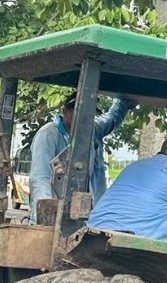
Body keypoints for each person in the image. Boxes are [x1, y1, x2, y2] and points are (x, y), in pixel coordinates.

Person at [29, 94, 135, 222]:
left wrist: (124, 102)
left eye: (90, 116)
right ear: (66, 112)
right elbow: (40, 178)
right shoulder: (49, 135)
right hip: (54, 215)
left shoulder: (91, 130)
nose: (85, 119)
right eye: (80, 114)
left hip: (82, 215)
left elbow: (111, 119)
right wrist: (46, 217)